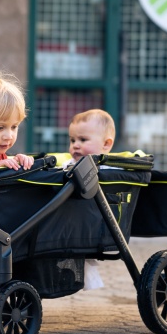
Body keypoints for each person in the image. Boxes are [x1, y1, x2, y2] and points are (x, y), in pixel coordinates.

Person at [63, 109, 116, 289]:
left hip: (93, 227)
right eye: (72, 140)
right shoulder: (68, 166)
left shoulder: (109, 170)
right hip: (68, 225)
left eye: (83, 140)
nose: (75, 145)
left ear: (106, 144)